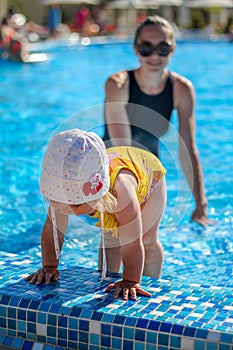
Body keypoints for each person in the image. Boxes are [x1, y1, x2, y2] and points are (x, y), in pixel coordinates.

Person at [25, 128, 167, 300]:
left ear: (97, 194)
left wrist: (130, 280)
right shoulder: (63, 188)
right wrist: (49, 266)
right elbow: (53, 230)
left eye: (75, 204)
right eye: (58, 203)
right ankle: (107, 279)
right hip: (107, 165)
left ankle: (151, 283)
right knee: (110, 239)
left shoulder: (122, 194)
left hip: (148, 173)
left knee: (145, 238)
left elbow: (132, 243)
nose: (67, 209)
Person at [103, 15, 210, 227]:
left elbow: (187, 147)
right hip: (114, 164)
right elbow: (122, 146)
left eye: (162, 48)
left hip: (150, 167)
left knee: (149, 240)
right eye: (146, 48)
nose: (154, 56)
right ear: (135, 49)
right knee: (120, 236)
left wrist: (200, 205)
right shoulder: (118, 85)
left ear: (172, 49)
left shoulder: (181, 89)